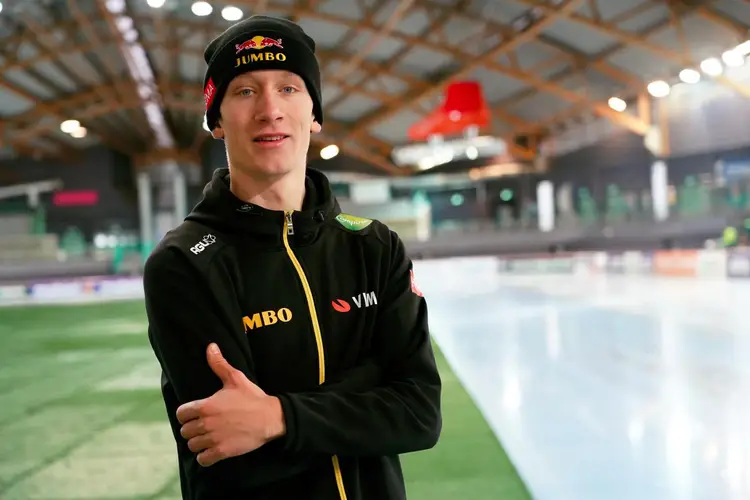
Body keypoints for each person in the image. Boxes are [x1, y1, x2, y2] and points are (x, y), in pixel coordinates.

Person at [142, 14, 442, 500]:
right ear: (216, 120)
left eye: (288, 88)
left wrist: (276, 417)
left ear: (314, 113)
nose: (270, 110)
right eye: (245, 91)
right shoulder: (184, 263)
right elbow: (233, 452)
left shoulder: (374, 247)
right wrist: (369, 389)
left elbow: (419, 414)